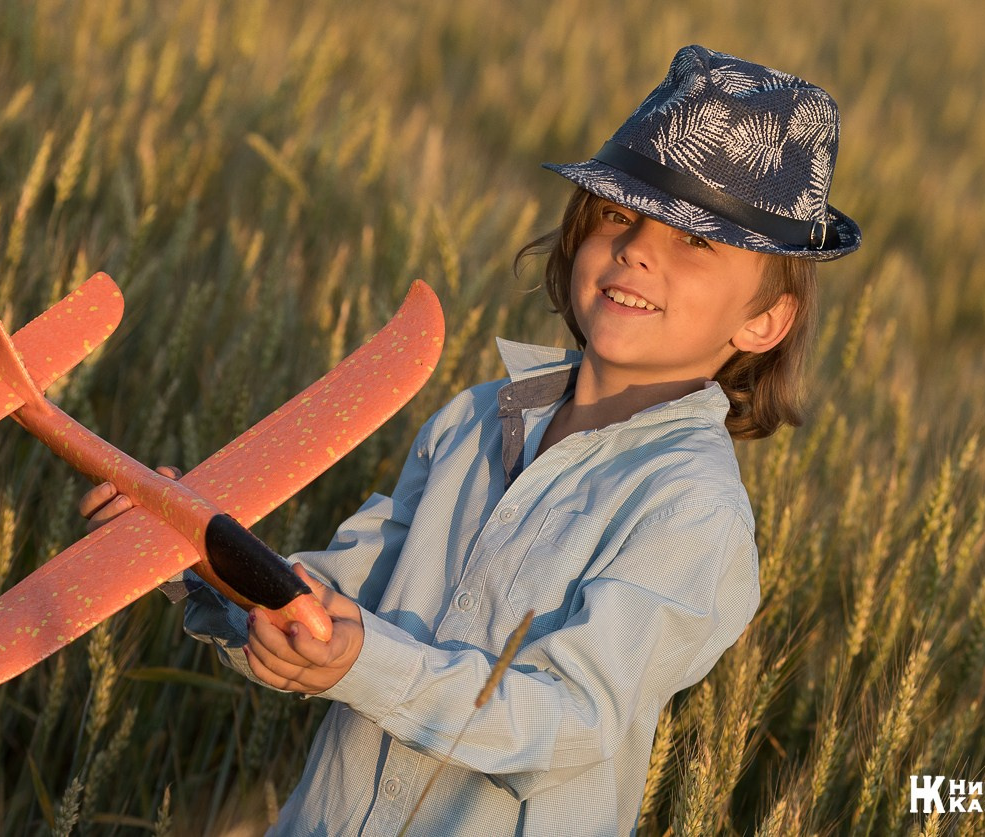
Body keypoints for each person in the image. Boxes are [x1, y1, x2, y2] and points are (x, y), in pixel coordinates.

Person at [80, 44, 861, 836]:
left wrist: (364, 664)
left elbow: (571, 717)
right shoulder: (477, 418)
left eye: (696, 242)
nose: (636, 249)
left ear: (764, 320)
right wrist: (195, 550)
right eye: (618, 214)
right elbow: (340, 598)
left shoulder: (693, 510)